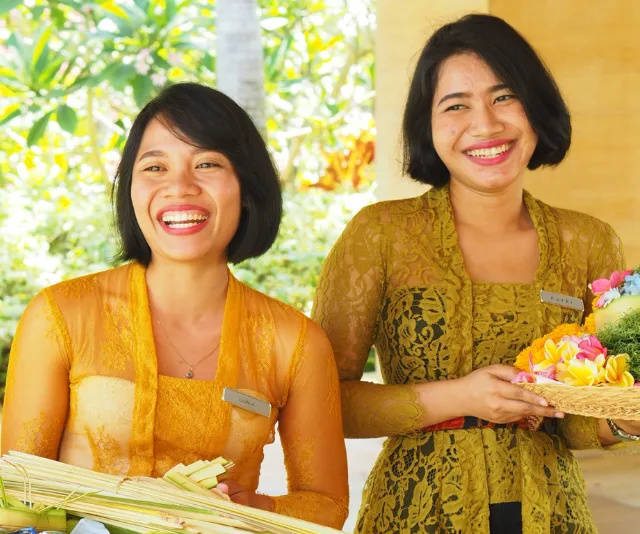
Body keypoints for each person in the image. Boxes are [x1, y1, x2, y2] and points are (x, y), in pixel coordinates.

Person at [312, 14, 639, 534]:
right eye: (456, 105)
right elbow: (322, 403)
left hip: (552, 515)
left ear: (536, 108)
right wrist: (460, 397)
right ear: (429, 126)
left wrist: (625, 417)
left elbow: (579, 420)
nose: (485, 125)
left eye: (504, 97)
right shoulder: (381, 233)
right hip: (415, 513)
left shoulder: (589, 241)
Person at [2, 82, 349, 529]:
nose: (179, 187)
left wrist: (254, 507)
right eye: (155, 167)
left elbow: (327, 506)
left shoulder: (295, 342)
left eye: (207, 163)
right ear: (130, 188)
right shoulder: (60, 315)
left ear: (246, 185)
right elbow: (15, 491)